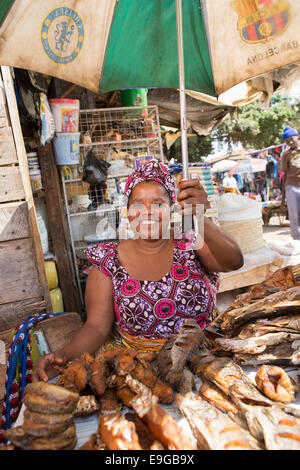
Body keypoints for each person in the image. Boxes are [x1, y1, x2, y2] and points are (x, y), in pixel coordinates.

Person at [33, 160, 243, 382]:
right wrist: (63, 355)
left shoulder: (191, 243)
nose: (148, 212)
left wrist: (197, 215)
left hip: (206, 363)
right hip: (139, 371)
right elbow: (95, 326)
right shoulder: (109, 260)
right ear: (128, 210)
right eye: (138, 204)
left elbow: (234, 261)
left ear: (172, 207)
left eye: (158, 203)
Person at [281, 125, 300, 240]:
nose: (290, 142)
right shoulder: (286, 155)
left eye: (292, 138)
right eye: (287, 141)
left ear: (298, 137)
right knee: (293, 217)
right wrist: (283, 199)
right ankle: (297, 243)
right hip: (291, 187)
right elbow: (284, 176)